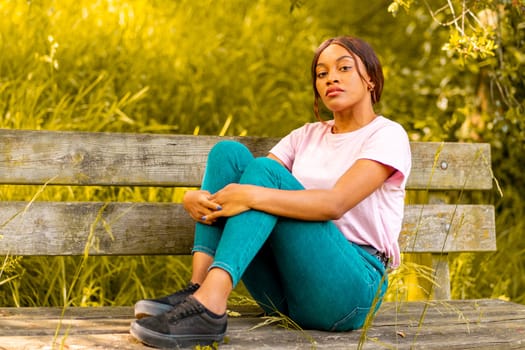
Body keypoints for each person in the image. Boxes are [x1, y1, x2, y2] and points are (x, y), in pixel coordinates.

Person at [130, 35, 412, 349]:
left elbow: (334, 204)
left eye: (344, 68)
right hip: (286, 290)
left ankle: (211, 303)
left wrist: (248, 197)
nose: (331, 77)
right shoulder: (305, 135)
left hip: (349, 289)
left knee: (266, 174)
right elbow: (250, 179)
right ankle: (199, 290)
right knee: (228, 154)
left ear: (371, 78)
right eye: (321, 73)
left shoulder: (386, 135)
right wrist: (194, 197)